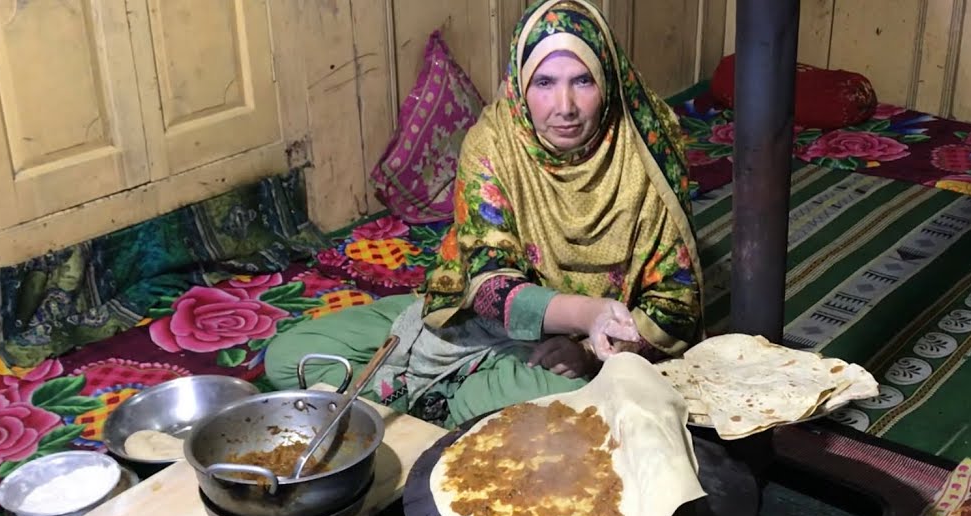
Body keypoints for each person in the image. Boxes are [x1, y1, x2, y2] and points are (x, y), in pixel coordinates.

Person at [264, 0, 703, 429]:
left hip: (565, 352)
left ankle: (440, 401)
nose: (564, 106)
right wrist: (587, 312)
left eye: (583, 80)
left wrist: (589, 347)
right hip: (470, 318)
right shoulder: (494, 143)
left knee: (518, 420)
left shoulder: (645, 153)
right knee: (288, 359)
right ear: (519, 85)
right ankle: (453, 395)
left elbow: (675, 308)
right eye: (545, 82)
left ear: (609, 81)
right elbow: (487, 283)